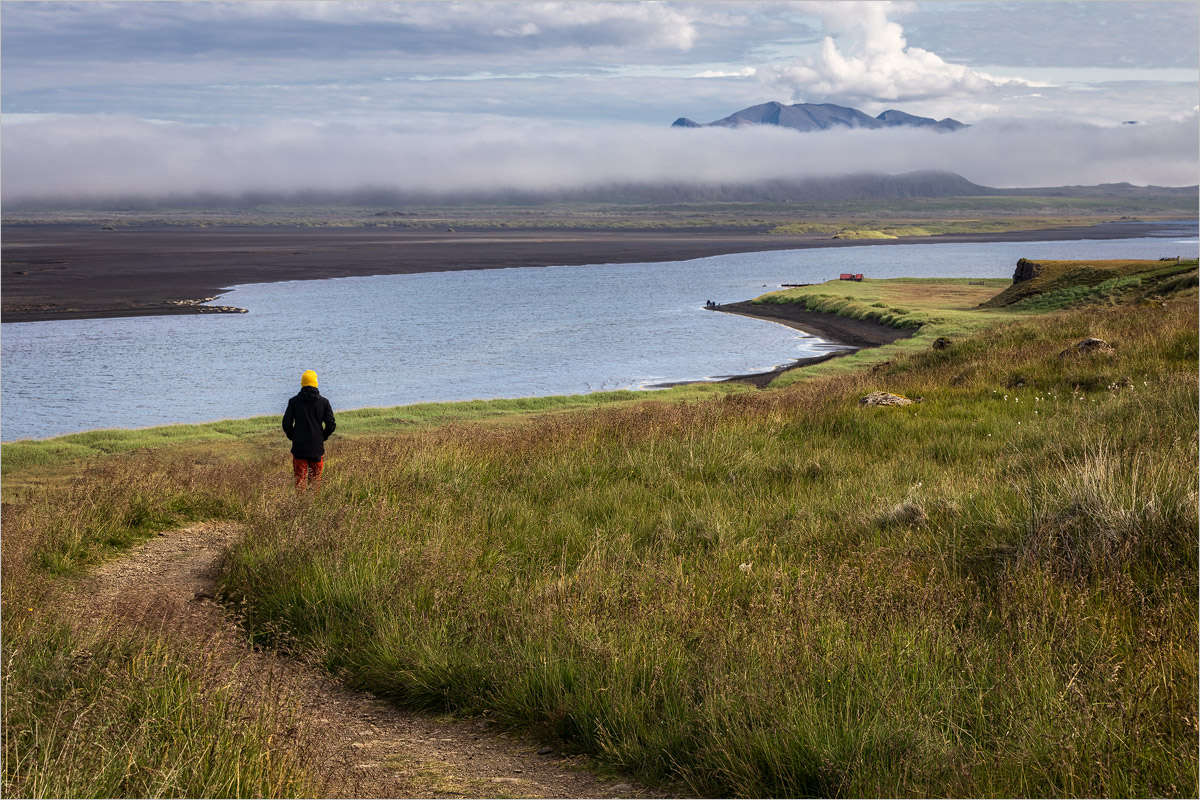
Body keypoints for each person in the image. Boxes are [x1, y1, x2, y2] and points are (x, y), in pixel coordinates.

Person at [282, 369, 336, 491]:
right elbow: (331, 425)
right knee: (315, 482)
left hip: (299, 447)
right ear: (315, 383)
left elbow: (286, 424)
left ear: (302, 384)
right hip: (316, 448)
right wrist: (322, 437)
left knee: (300, 482)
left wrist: (293, 437)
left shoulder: (294, 402)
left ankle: (299, 507)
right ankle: (313, 506)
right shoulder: (324, 402)